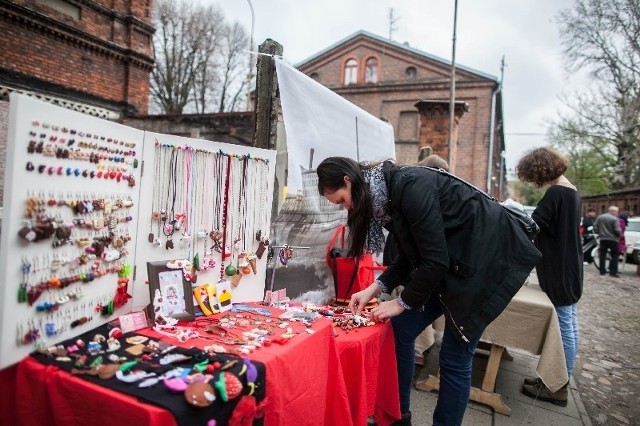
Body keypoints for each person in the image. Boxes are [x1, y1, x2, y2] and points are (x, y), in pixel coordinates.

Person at [316, 156, 541, 426]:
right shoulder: (385, 197)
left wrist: (400, 303)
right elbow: (411, 253)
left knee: (454, 358)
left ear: (347, 180)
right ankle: (398, 416)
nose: (346, 208)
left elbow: (434, 261)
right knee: (399, 331)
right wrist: (375, 288)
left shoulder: (409, 187)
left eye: (341, 200)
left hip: (486, 268)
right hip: (453, 265)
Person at [515, 147, 583, 407]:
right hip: (570, 267)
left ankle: (557, 386)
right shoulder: (572, 192)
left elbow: (533, 226)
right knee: (570, 321)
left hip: (559, 269)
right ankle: (558, 379)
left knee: (565, 323)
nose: (534, 181)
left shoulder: (556, 193)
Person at [594, 206, 622, 277]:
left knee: (602, 255)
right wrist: (619, 235)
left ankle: (602, 270)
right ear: (613, 211)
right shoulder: (614, 219)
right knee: (614, 255)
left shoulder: (600, 217)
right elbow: (617, 230)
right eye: (616, 211)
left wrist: (599, 233)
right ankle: (613, 272)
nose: (617, 213)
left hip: (603, 238)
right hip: (613, 239)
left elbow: (595, 226)